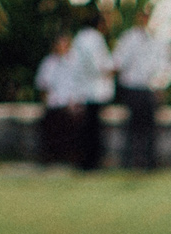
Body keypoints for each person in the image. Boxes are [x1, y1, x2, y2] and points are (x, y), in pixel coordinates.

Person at [112, 8, 171, 170]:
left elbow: (167, 65)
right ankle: (130, 161)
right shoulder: (129, 38)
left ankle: (149, 162)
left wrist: (161, 85)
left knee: (150, 127)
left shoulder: (161, 40)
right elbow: (119, 61)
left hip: (151, 88)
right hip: (132, 87)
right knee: (133, 126)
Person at [70, 8, 116, 171]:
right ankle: (91, 162)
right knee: (92, 130)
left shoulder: (80, 37)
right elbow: (98, 65)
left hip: (82, 89)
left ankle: (85, 161)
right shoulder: (95, 38)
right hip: (93, 90)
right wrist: (110, 70)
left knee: (86, 129)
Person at [33, 33, 79, 166]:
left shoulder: (74, 62)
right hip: (54, 103)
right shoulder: (48, 63)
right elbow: (43, 85)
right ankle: (50, 157)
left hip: (70, 103)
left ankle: (70, 156)